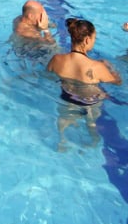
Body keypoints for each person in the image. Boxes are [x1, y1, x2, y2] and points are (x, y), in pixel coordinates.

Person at [47, 18, 122, 149]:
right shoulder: (97, 67)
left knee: (64, 118)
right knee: (91, 124)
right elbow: (118, 83)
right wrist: (111, 68)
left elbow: (47, 75)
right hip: (90, 102)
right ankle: (92, 143)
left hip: (66, 97)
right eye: (94, 38)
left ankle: (62, 140)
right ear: (87, 40)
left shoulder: (57, 59)